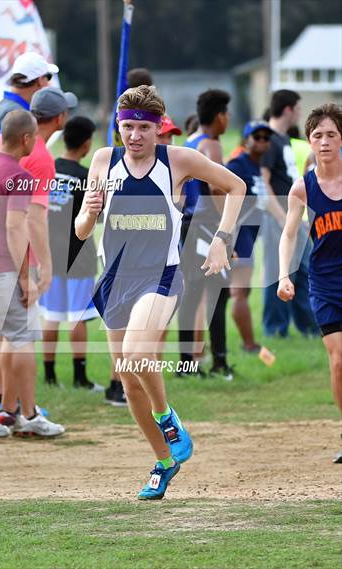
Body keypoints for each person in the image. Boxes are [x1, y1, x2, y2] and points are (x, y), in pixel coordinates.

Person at [75, 85, 246, 500]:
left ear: (158, 129)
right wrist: (88, 211)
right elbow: (81, 232)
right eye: (127, 127)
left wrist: (222, 237)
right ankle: (165, 461)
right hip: (115, 280)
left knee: (136, 356)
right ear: (118, 128)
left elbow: (237, 186)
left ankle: (168, 417)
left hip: (162, 275)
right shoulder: (102, 160)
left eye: (143, 128)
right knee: (128, 380)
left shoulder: (178, 160)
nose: (134, 136)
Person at [0, 110, 64, 438]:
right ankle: (29, 416)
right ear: (27, 139)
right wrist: (23, 277)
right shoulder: (20, 177)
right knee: (22, 341)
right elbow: (15, 228)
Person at [277, 103, 342, 464]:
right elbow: (288, 235)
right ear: (309, 141)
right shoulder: (303, 188)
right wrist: (284, 275)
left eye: (332, 134)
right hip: (325, 282)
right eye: (318, 135)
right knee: (338, 362)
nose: (325, 141)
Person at [39, 116, 104, 393]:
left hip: (49, 253)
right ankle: (79, 377)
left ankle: (50, 375)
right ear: (87, 143)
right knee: (78, 316)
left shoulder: (48, 170)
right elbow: (96, 217)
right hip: (79, 256)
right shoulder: (85, 176)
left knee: (52, 315)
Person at [178, 89, 235, 380]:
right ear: (220, 116)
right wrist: (227, 229)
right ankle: (220, 362)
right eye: (227, 114)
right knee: (218, 292)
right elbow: (216, 188)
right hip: (205, 225)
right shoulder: (211, 145)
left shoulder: (189, 142)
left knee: (192, 293)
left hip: (188, 224)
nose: (228, 120)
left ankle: (186, 363)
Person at [261, 89, 317, 337]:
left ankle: (309, 327)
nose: (300, 113)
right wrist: (282, 219)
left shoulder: (283, 139)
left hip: (292, 217)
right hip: (277, 218)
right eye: (298, 108)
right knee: (278, 273)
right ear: (288, 109)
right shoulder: (268, 139)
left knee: (304, 270)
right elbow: (263, 184)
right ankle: (275, 330)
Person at [0, 52, 76, 158]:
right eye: (48, 77)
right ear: (40, 81)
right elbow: (9, 159)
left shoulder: (1, 107)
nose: (49, 83)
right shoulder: (19, 115)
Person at [228, 120, 273, 352]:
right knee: (239, 292)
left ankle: (204, 350)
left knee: (232, 293)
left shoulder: (256, 166)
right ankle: (249, 344)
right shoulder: (238, 164)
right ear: (246, 140)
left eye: (267, 138)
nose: (263, 142)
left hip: (248, 234)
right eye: (258, 137)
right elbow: (221, 193)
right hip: (239, 233)